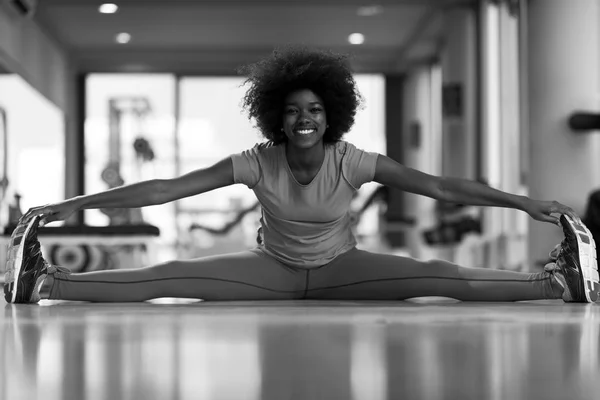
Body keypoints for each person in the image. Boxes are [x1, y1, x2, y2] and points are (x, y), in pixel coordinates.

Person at [4, 47, 599, 304]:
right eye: (292, 110)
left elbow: (440, 187)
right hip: (272, 274)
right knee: (169, 276)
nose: (304, 119)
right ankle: (44, 284)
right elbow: (166, 189)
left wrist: (524, 204)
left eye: (315, 109)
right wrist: (71, 204)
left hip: (345, 272)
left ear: (331, 114)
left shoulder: (354, 161)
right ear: (276, 117)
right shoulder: (257, 161)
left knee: (437, 275)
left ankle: (559, 286)